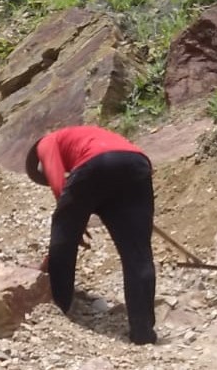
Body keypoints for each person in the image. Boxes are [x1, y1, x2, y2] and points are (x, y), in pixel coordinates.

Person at [25, 126, 158, 345]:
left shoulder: (47, 141)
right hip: (137, 165)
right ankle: (143, 330)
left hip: (98, 163)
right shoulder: (88, 136)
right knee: (137, 253)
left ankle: (60, 306)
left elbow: (59, 182)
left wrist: (70, 223)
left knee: (63, 235)